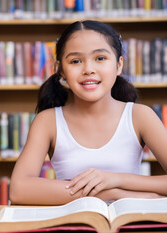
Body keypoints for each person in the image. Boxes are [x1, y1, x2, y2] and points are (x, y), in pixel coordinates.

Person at [10, 20, 167, 205]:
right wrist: (112, 194)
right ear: (61, 71)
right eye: (76, 61)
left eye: (100, 58)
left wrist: (116, 180)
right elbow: (19, 189)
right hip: (73, 228)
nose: (88, 70)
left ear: (118, 65)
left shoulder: (140, 116)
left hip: (128, 227)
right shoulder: (48, 121)